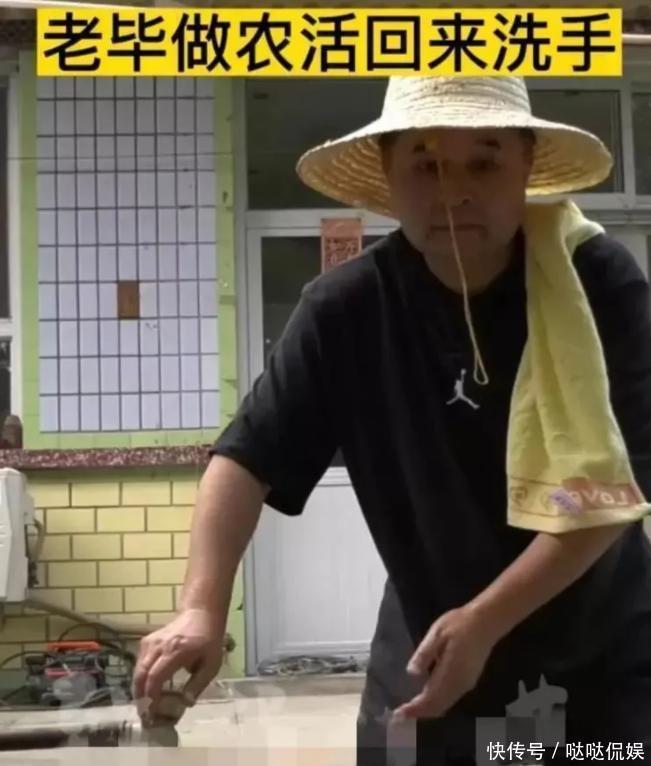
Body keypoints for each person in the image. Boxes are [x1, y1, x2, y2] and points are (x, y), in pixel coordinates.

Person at [133, 76, 651, 763]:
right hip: (424, 650)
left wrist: (485, 621)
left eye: (484, 163)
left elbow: (612, 491)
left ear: (526, 166)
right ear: (387, 174)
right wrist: (200, 608)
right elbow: (246, 460)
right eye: (426, 165)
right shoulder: (346, 309)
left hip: (594, 659)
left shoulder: (595, 284)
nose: (453, 191)